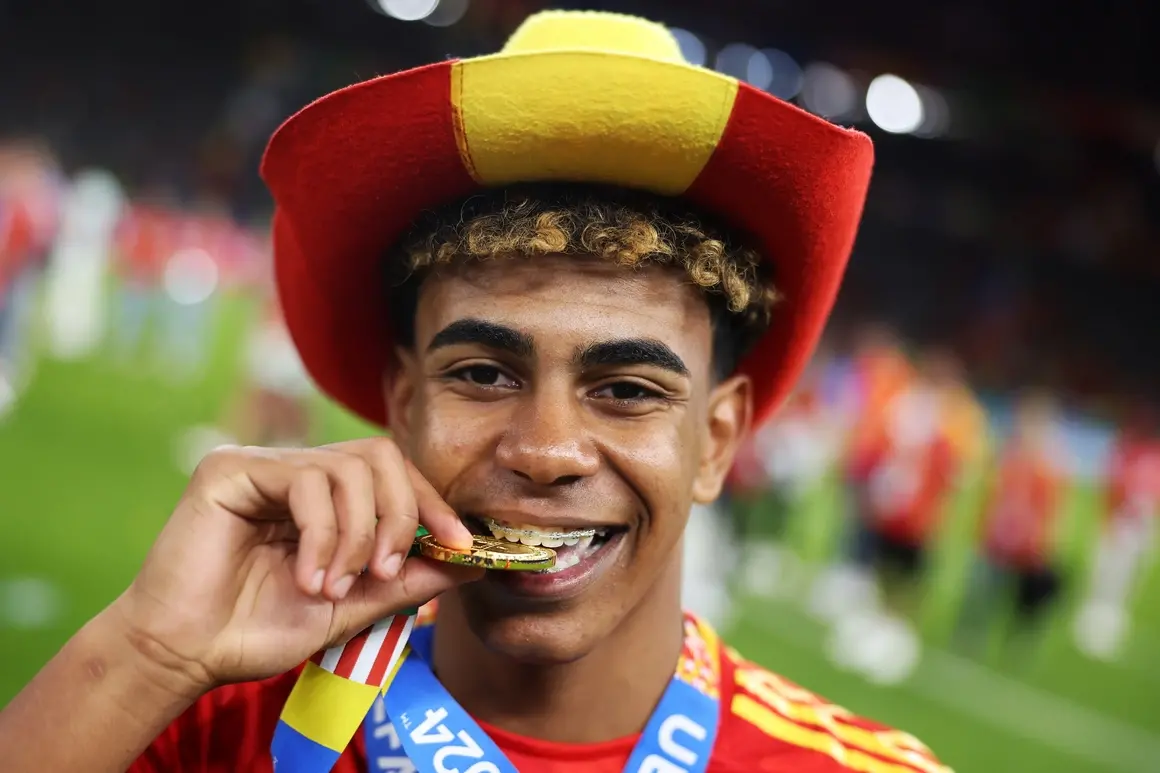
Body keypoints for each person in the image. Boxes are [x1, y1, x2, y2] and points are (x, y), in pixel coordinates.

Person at [0, 11, 949, 773]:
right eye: (484, 374)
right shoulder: (208, 722)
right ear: (403, 402)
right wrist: (149, 652)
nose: (545, 450)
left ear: (719, 439)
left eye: (626, 388)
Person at [959, 391, 1069, 656]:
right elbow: (990, 493)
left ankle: (1016, 642)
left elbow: (1052, 509)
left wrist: (1045, 542)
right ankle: (970, 635)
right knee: (982, 592)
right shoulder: (1008, 452)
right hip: (995, 538)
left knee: (1021, 599)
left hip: (1026, 544)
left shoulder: (1049, 465)